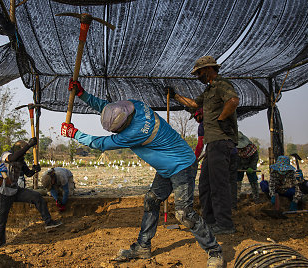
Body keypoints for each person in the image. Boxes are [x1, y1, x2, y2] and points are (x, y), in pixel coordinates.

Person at [60, 79, 224, 267]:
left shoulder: (133, 133)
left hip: (182, 165)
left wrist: (75, 134)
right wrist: (83, 95)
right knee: (152, 200)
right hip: (167, 167)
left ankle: (215, 251)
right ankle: (143, 246)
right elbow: (107, 107)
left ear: (122, 128)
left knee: (184, 214)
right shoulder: (135, 106)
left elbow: (101, 144)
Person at [166, 55, 239, 233]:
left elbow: (233, 101)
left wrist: (222, 118)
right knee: (205, 184)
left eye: (199, 73)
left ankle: (224, 224)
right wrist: (174, 96)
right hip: (212, 144)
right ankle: (210, 221)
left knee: (218, 184)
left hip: (221, 141)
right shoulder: (208, 91)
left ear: (208, 69)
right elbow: (193, 104)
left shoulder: (222, 85)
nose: (198, 77)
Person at [0, 138, 61, 249]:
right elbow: (13, 158)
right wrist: (29, 145)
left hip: (15, 191)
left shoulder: (21, 161)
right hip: (2, 194)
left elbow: (28, 173)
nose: (24, 155)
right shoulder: (7, 154)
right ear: (18, 150)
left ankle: (48, 222)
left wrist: (35, 170)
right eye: (23, 152)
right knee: (1, 222)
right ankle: (0, 247)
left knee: (37, 197)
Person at [236, 131, 260, 203]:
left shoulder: (252, 148)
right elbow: (233, 158)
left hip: (249, 165)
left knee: (253, 180)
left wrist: (252, 167)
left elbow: (255, 157)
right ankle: (236, 197)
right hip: (239, 166)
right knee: (237, 181)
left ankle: (256, 197)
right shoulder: (233, 148)